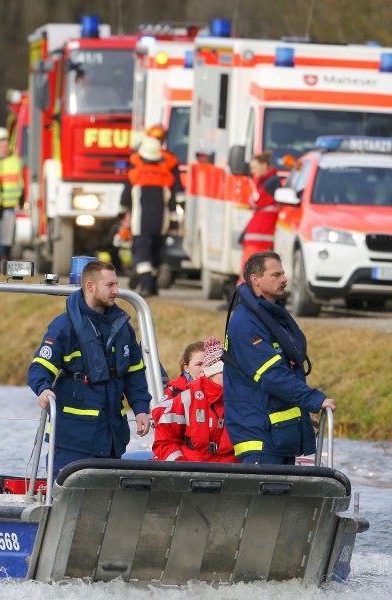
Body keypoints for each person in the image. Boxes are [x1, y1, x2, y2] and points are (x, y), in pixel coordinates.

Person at [27, 260, 152, 481]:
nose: (116, 291)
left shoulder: (123, 327)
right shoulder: (64, 326)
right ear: (90, 286)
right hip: (72, 439)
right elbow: (39, 367)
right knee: (64, 497)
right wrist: (44, 390)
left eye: (116, 285)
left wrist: (141, 408)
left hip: (112, 437)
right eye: (110, 285)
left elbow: (134, 372)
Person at [223, 251, 336, 464]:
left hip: (278, 435)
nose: (284, 279)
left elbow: (286, 372)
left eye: (283, 274)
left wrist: (302, 413)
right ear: (255, 280)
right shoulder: (246, 323)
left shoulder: (267, 315)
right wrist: (313, 400)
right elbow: (272, 376)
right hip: (260, 440)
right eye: (276, 275)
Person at [151, 336, 238, 463]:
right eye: (198, 364)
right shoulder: (183, 395)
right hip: (192, 467)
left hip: (231, 469)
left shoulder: (241, 398)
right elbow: (164, 436)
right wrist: (180, 468)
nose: (202, 369)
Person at [120, 134, 180, 297]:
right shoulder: (167, 176)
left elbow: (124, 200)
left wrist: (119, 218)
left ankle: (146, 286)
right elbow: (172, 203)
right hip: (162, 223)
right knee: (155, 255)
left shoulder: (134, 175)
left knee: (142, 254)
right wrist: (174, 225)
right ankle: (153, 287)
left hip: (141, 223)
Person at [239, 150, 281, 282]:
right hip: (259, 234)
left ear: (264, 165)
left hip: (260, 235)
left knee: (251, 271)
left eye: (255, 168)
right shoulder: (266, 181)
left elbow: (255, 201)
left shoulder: (270, 182)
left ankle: (242, 299)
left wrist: (252, 200)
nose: (253, 172)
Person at [0, 126, 24, 264]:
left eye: (6, 146)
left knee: (7, 238)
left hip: (9, 205)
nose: (4, 148)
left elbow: (20, 182)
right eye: (1, 146)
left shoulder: (15, 161)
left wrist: (21, 199)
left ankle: (3, 261)